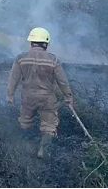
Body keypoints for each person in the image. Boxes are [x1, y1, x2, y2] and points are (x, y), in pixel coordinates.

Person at [7, 27, 75, 159]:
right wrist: (68, 97)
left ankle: (24, 149)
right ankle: (43, 151)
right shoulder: (53, 59)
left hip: (27, 97)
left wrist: (10, 95)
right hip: (47, 98)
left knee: (25, 122)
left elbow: (13, 78)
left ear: (31, 42)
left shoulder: (21, 58)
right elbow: (62, 81)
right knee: (49, 126)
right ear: (46, 43)